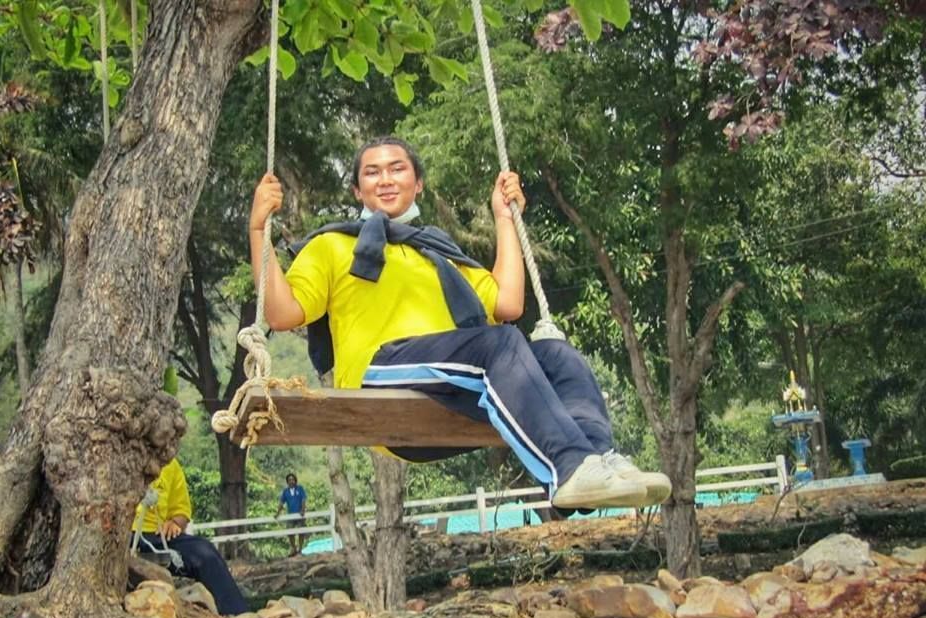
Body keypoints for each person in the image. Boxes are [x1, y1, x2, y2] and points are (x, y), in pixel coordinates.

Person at [247, 136, 671, 511]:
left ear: (418, 183)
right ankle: (569, 467)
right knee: (497, 343)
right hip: (380, 374)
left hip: (452, 389)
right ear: (358, 190)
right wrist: (257, 228)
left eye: (398, 168)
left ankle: (599, 460)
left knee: (556, 354)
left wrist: (504, 218)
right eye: (372, 173)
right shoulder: (333, 246)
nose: (386, 179)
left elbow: (506, 304)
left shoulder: (439, 252)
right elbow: (283, 314)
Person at [132, 458, 248, 616]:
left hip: (159, 537)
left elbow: (182, 512)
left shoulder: (170, 464)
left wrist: (175, 523)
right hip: (124, 536)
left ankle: (238, 615)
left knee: (205, 552)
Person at [274, 472, 307, 556]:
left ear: (295, 481)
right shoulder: (285, 491)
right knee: (289, 531)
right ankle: (294, 548)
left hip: (300, 514)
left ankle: (300, 549)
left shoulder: (300, 488)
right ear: (287, 482)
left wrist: (302, 510)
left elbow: (303, 499)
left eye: (293, 479)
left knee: (301, 531)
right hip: (290, 515)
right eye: (289, 480)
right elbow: (281, 502)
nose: (291, 481)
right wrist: (278, 513)